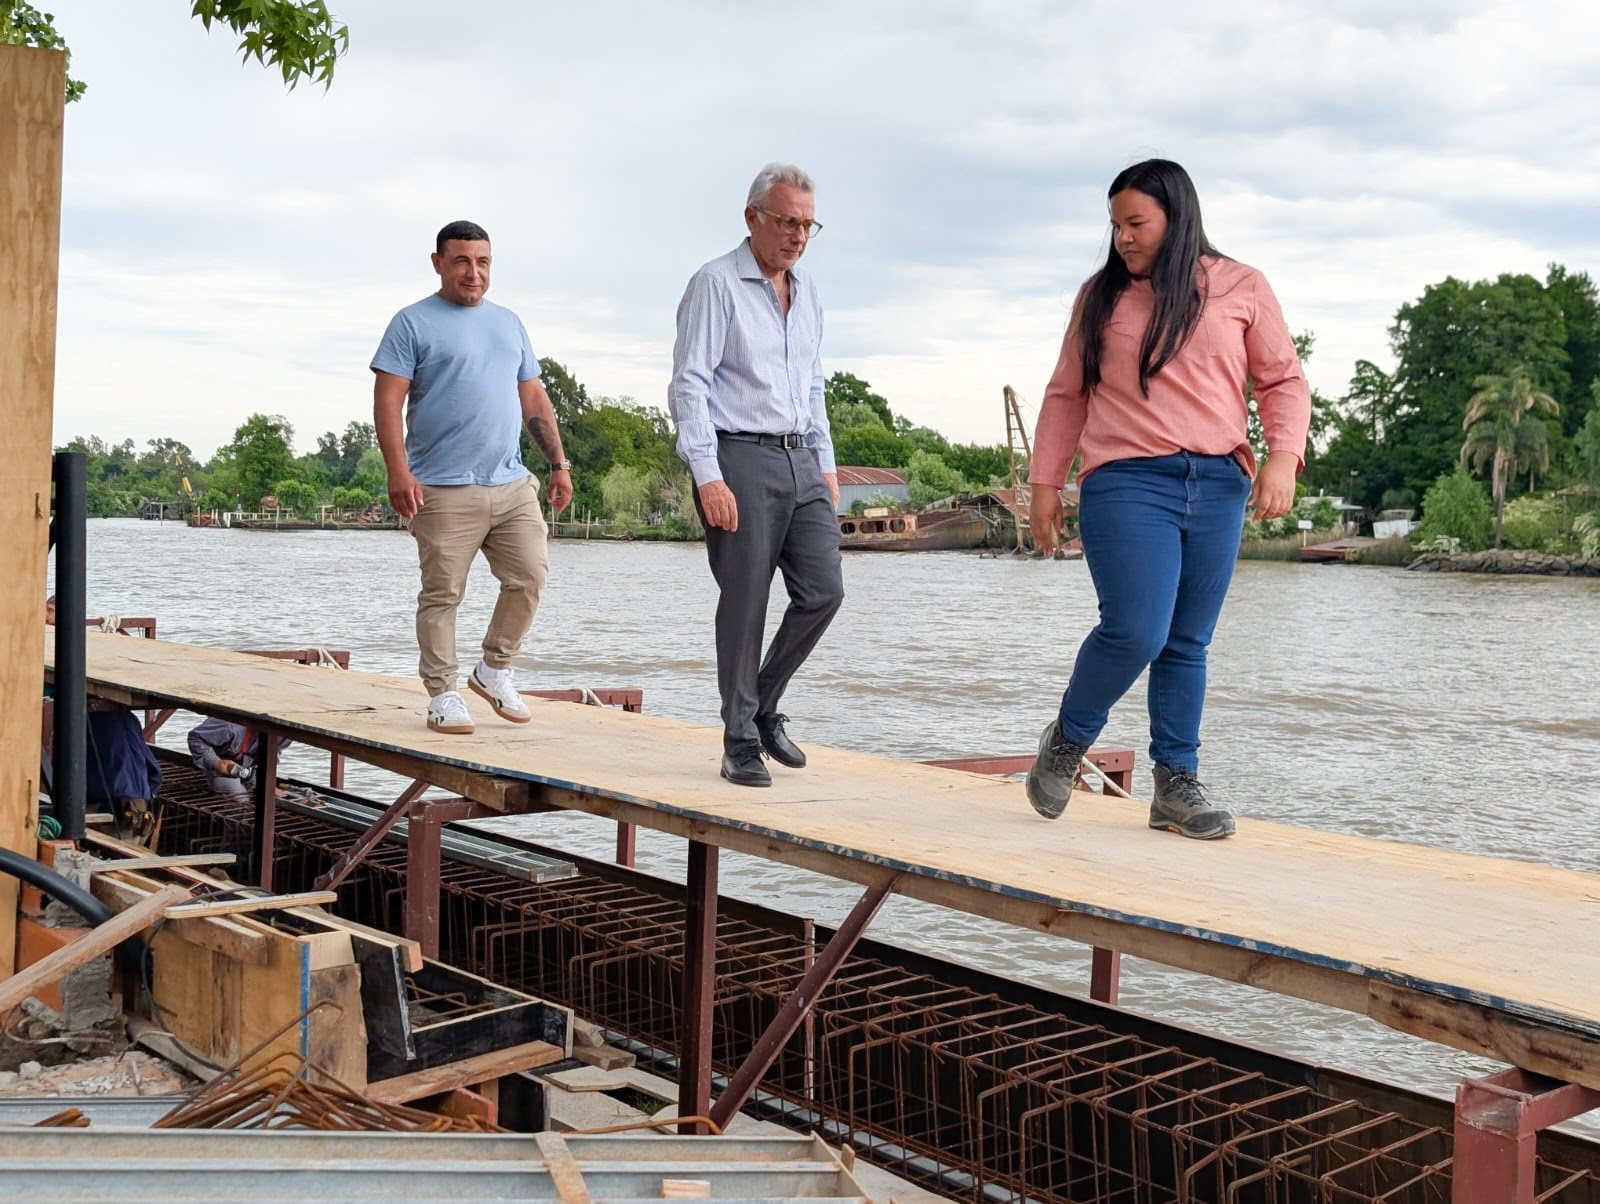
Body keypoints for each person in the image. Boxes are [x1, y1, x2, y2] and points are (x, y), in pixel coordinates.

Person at [1025, 159, 1310, 840]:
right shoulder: (1100, 298)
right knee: (1137, 628)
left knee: (1187, 642)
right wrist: (1044, 486)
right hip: (1126, 481)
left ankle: (1174, 783)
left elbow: (1283, 381)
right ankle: (1068, 739)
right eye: (1116, 224)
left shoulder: (1242, 286)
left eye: (1136, 223)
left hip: (1217, 483)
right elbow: (1067, 393)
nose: (1122, 237)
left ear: (1176, 218)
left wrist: (1283, 460)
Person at [669, 163, 845, 787]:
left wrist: (825, 466)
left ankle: (763, 705)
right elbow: (689, 383)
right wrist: (708, 472)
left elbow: (814, 385)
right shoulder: (716, 285)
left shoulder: (810, 293)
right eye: (786, 221)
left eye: (807, 224)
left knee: (824, 590)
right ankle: (739, 738)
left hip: (802, 458)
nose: (797, 234)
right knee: (745, 601)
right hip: (738, 454)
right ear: (753, 219)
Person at [372, 220, 574, 735]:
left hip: (510, 483)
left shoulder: (509, 324)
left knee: (529, 574)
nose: (473, 272)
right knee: (443, 595)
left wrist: (558, 462)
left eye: (482, 262)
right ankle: (442, 693)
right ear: (439, 262)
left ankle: (494, 669)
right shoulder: (411, 323)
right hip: (441, 487)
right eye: (462, 260)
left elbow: (532, 396)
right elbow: (388, 400)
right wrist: (398, 469)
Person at [187, 717, 289, 799]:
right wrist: (215, 762)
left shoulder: (287, 733)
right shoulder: (229, 724)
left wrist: (267, 784)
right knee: (241, 799)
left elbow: (274, 753)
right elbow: (195, 738)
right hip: (223, 767)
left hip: (249, 768)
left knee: (274, 799)